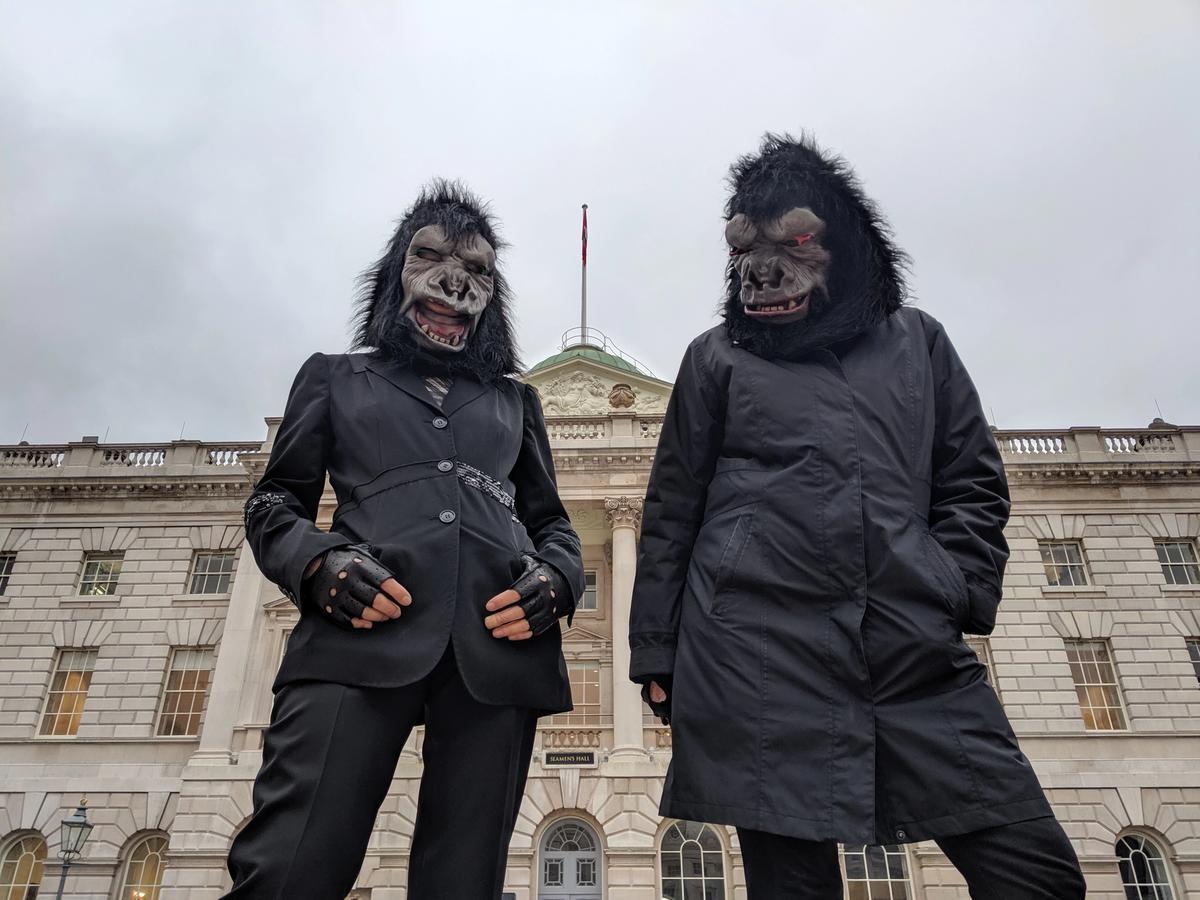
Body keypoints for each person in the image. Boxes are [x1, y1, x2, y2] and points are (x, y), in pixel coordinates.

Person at [628, 135, 1086, 899]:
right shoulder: (714, 359)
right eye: (746, 246)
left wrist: (955, 587)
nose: (763, 269)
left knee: (1037, 874)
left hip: (910, 652)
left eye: (795, 242)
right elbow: (671, 511)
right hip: (756, 659)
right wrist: (657, 656)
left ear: (846, 241)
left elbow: (971, 479)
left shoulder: (918, 342)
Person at [225, 181, 583, 900]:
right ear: (397, 274)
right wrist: (319, 562)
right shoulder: (335, 377)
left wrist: (558, 580)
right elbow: (273, 502)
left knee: (462, 884)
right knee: (291, 869)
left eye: (477, 270)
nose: (455, 282)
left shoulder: (519, 400)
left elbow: (552, 525)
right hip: (355, 634)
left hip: (497, 652)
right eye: (432, 259)